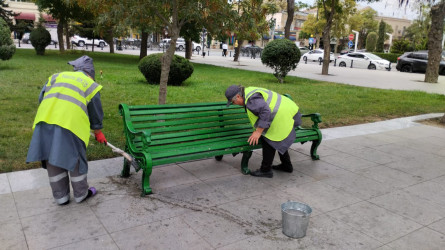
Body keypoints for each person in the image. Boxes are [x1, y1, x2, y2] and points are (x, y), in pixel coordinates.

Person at [26, 55, 107, 205]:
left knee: (52, 156)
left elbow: (41, 98)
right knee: (74, 158)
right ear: (90, 73)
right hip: (71, 126)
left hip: (45, 121)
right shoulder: (90, 84)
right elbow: (95, 111)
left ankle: (60, 196)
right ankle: (81, 193)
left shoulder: (56, 76)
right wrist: (98, 132)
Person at [225, 85, 302, 178]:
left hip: (282, 114)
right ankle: (287, 166)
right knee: (277, 138)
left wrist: (258, 132)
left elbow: (265, 111)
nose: (235, 104)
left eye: (233, 102)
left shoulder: (251, 99)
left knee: (268, 139)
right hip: (287, 110)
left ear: (238, 96)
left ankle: (266, 170)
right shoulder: (249, 92)